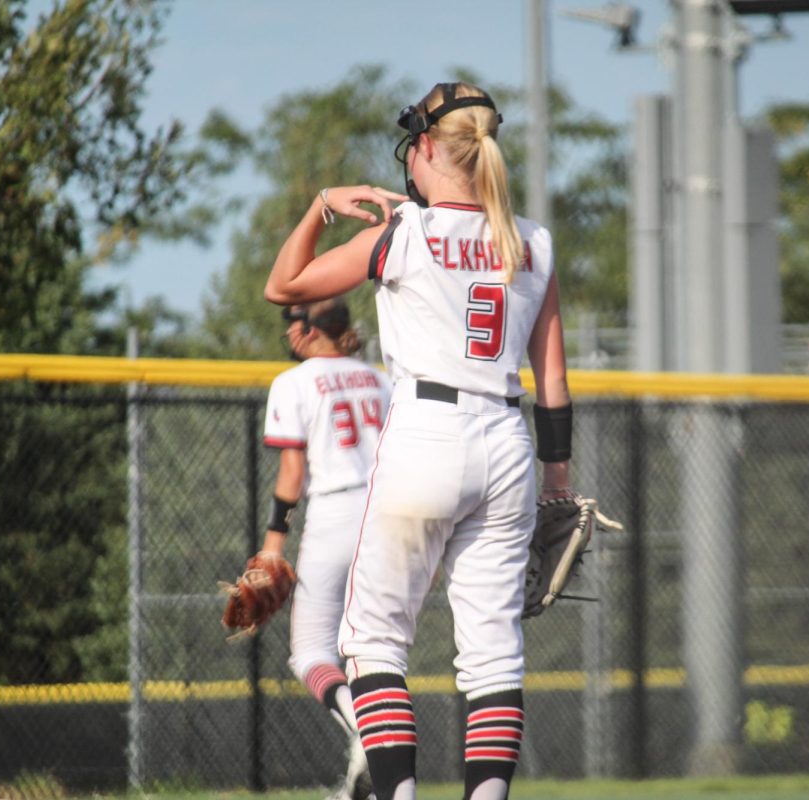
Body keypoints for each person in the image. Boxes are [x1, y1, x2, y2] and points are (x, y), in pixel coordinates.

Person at [263, 82, 574, 800]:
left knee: (373, 643)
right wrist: (557, 479)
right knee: (493, 656)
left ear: (427, 148)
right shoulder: (532, 240)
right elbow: (552, 379)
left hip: (427, 435)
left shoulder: (403, 233)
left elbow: (285, 286)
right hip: (508, 443)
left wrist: (319, 207)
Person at [261, 297, 391, 800]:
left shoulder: (294, 381)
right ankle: (367, 769)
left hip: (336, 514)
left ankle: (369, 732)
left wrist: (275, 541)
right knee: (377, 649)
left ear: (309, 330)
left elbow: (293, 472)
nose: (289, 332)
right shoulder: (381, 378)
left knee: (311, 652)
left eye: (293, 321)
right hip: (389, 514)